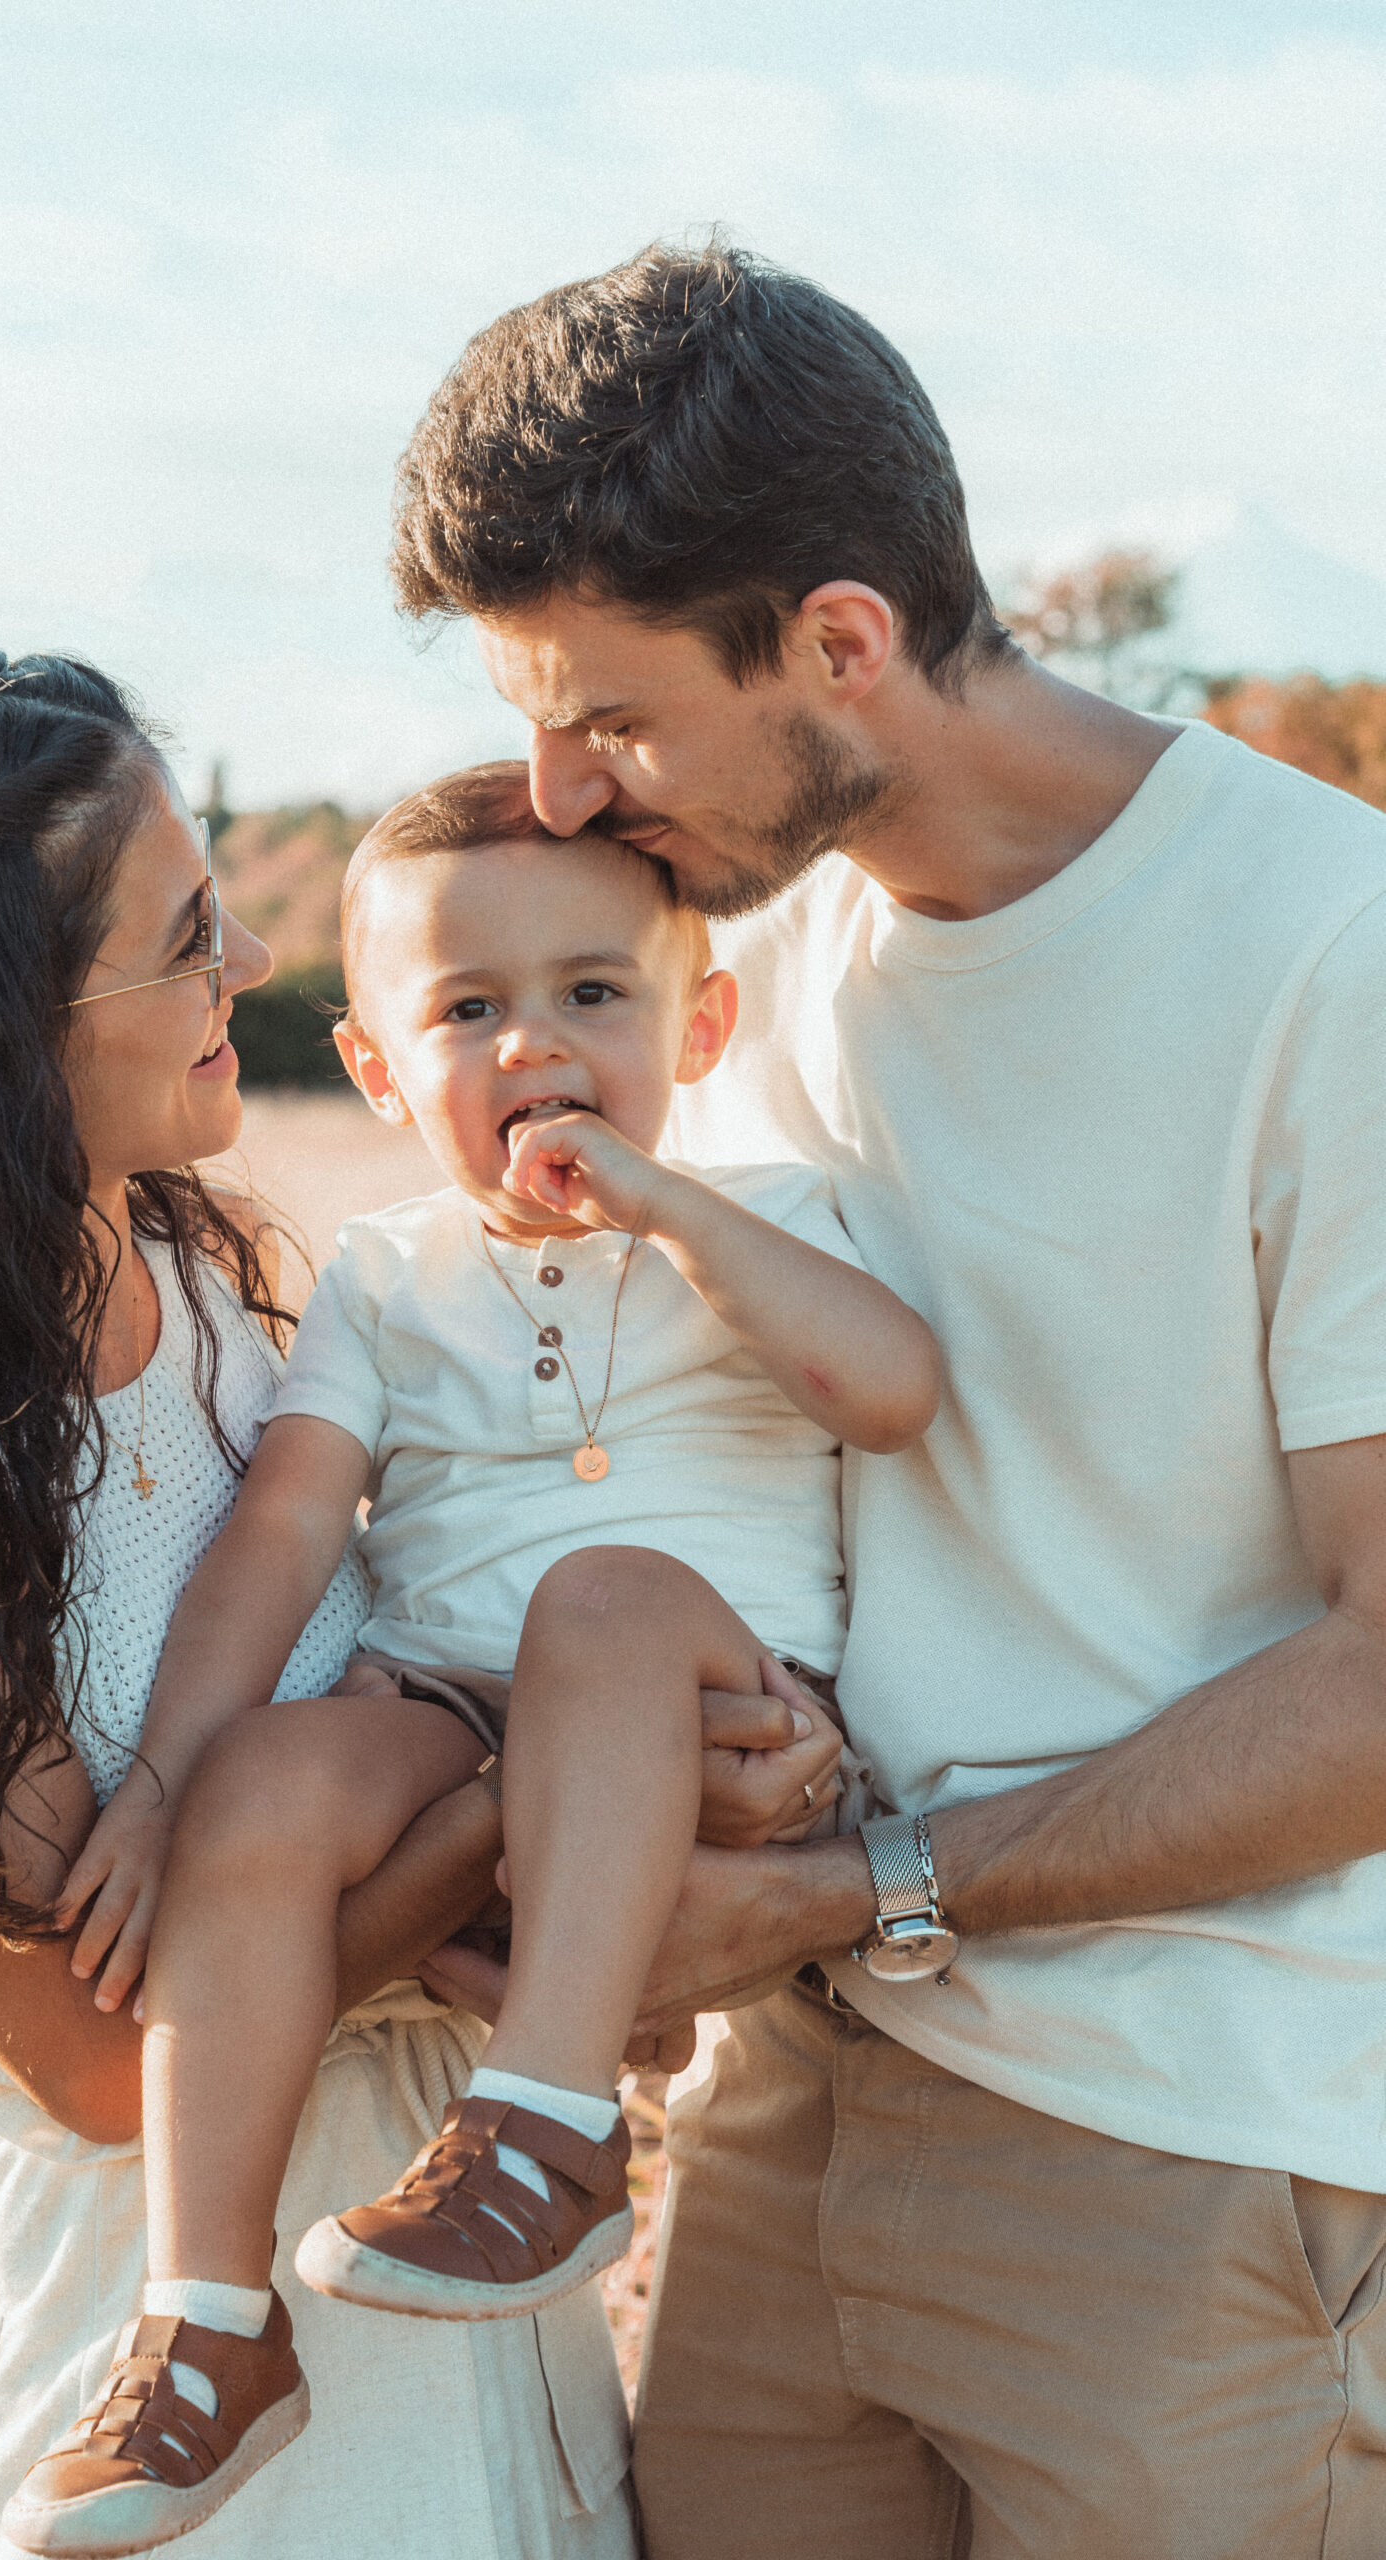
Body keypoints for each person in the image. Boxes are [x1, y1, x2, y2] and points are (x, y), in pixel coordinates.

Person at [390, 241, 1386, 2557]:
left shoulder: (1335, 955)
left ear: (842, 642)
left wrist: (880, 1878)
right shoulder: (741, 950)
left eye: (610, 720)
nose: (558, 789)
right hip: (800, 2095)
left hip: (1196, 2148)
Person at [0, 650, 638, 2560]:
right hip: (176, 2402)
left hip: (474, 2297)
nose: (251, 966)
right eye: (190, 936)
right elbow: (104, 2061)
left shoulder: (235, 1309)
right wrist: (527, 1823)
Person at [1, 758, 936, 2552]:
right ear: (373, 1067)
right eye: (467, 1011)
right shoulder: (383, 1271)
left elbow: (891, 1394)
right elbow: (282, 1531)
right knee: (278, 1772)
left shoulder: (771, 1219)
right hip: (451, 1711)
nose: (534, 1047)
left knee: (596, 1594)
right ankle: (207, 2326)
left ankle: (549, 2130)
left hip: (712, 1701)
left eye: (593, 995)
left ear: (703, 1018)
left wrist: (667, 1210)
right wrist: (177, 1777)